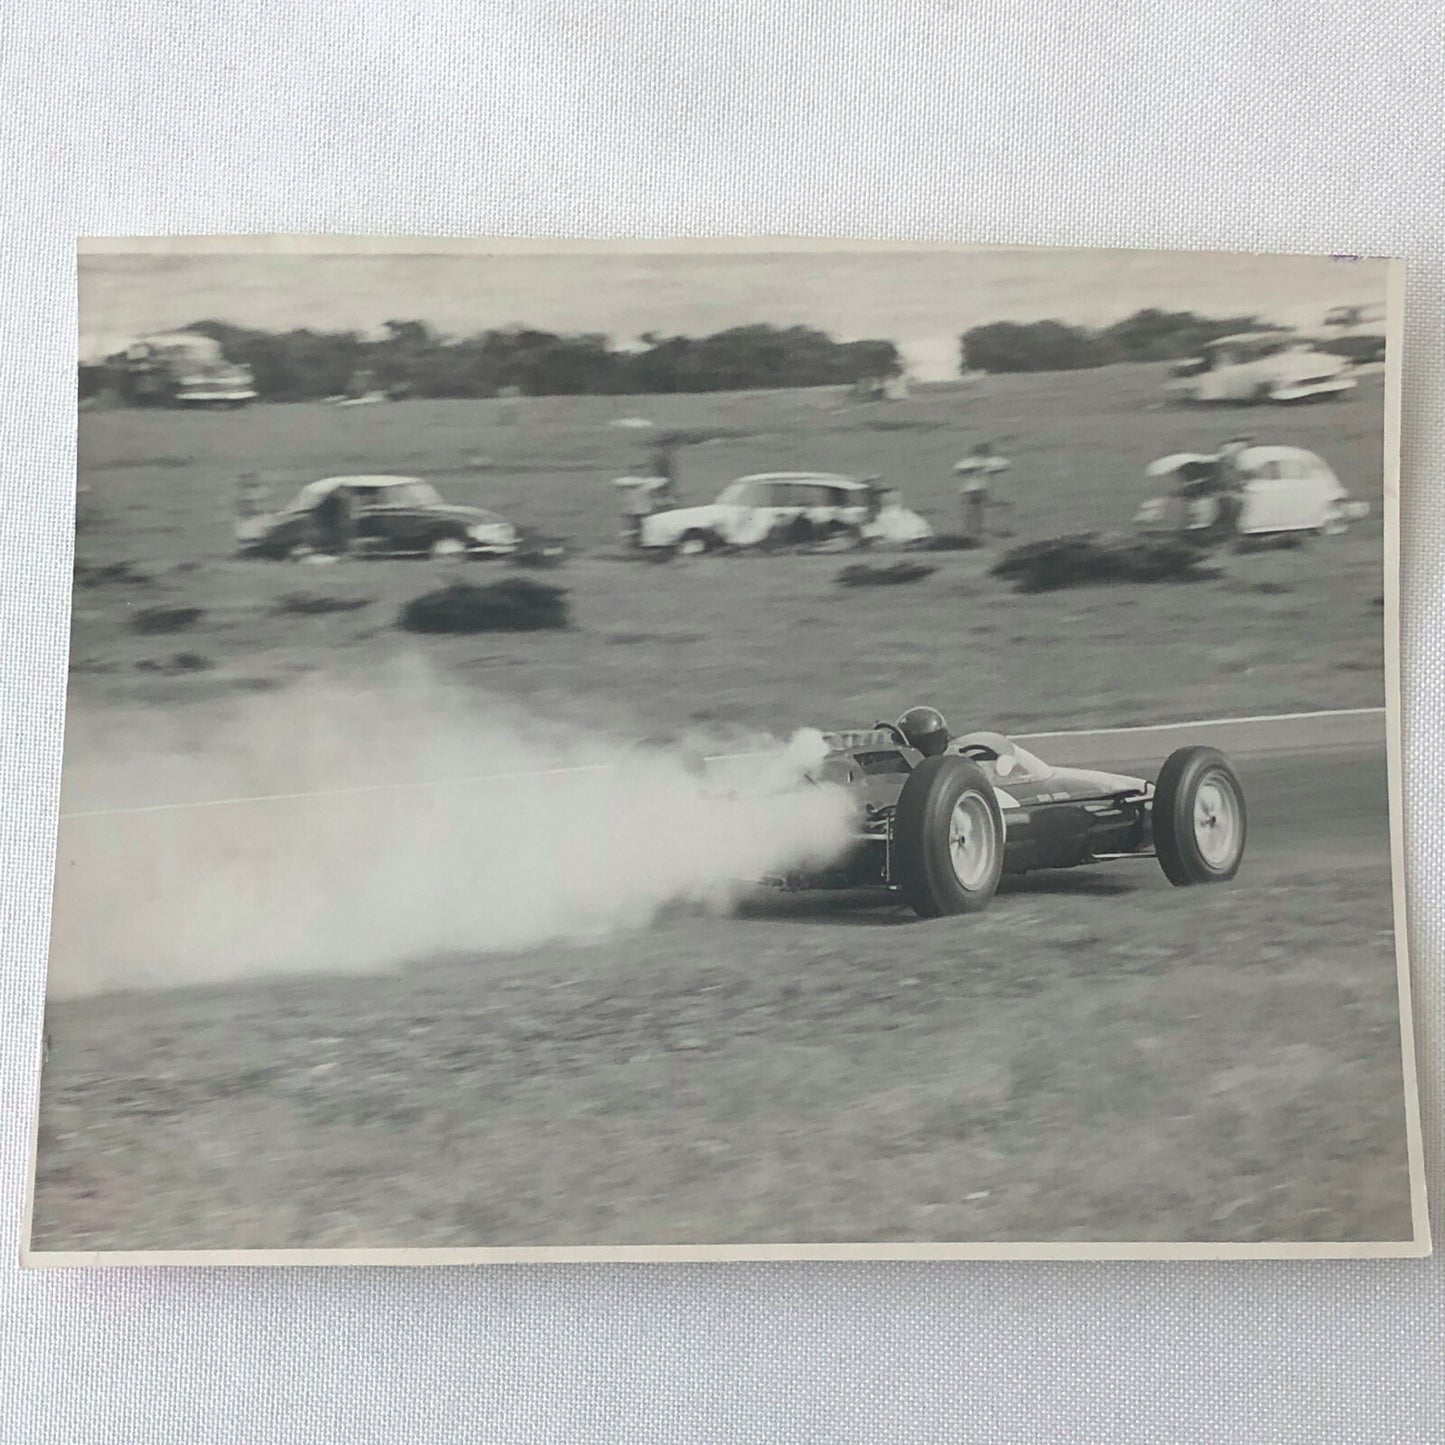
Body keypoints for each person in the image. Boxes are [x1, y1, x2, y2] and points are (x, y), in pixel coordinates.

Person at [954, 441, 1010, 540]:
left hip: (968, 491)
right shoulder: (987, 463)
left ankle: (972, 531)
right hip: (979, 491)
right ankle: (975, 531)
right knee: (979, 511)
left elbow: (958, 470)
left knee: (972, 512)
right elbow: (1003, 466)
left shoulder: (967, 463)